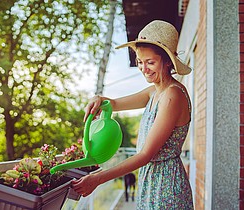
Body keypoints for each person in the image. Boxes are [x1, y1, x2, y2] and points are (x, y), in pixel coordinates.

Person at [72, 20, 194, 209]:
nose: (143, 69)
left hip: (165, 184)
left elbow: (145, 154)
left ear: (168, 61)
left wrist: (97, 179)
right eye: (139, 62)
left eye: (150, 62)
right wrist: (99, 99)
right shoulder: (154, 92)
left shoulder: (172, 95)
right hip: (151, 180)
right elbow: (112, 104)